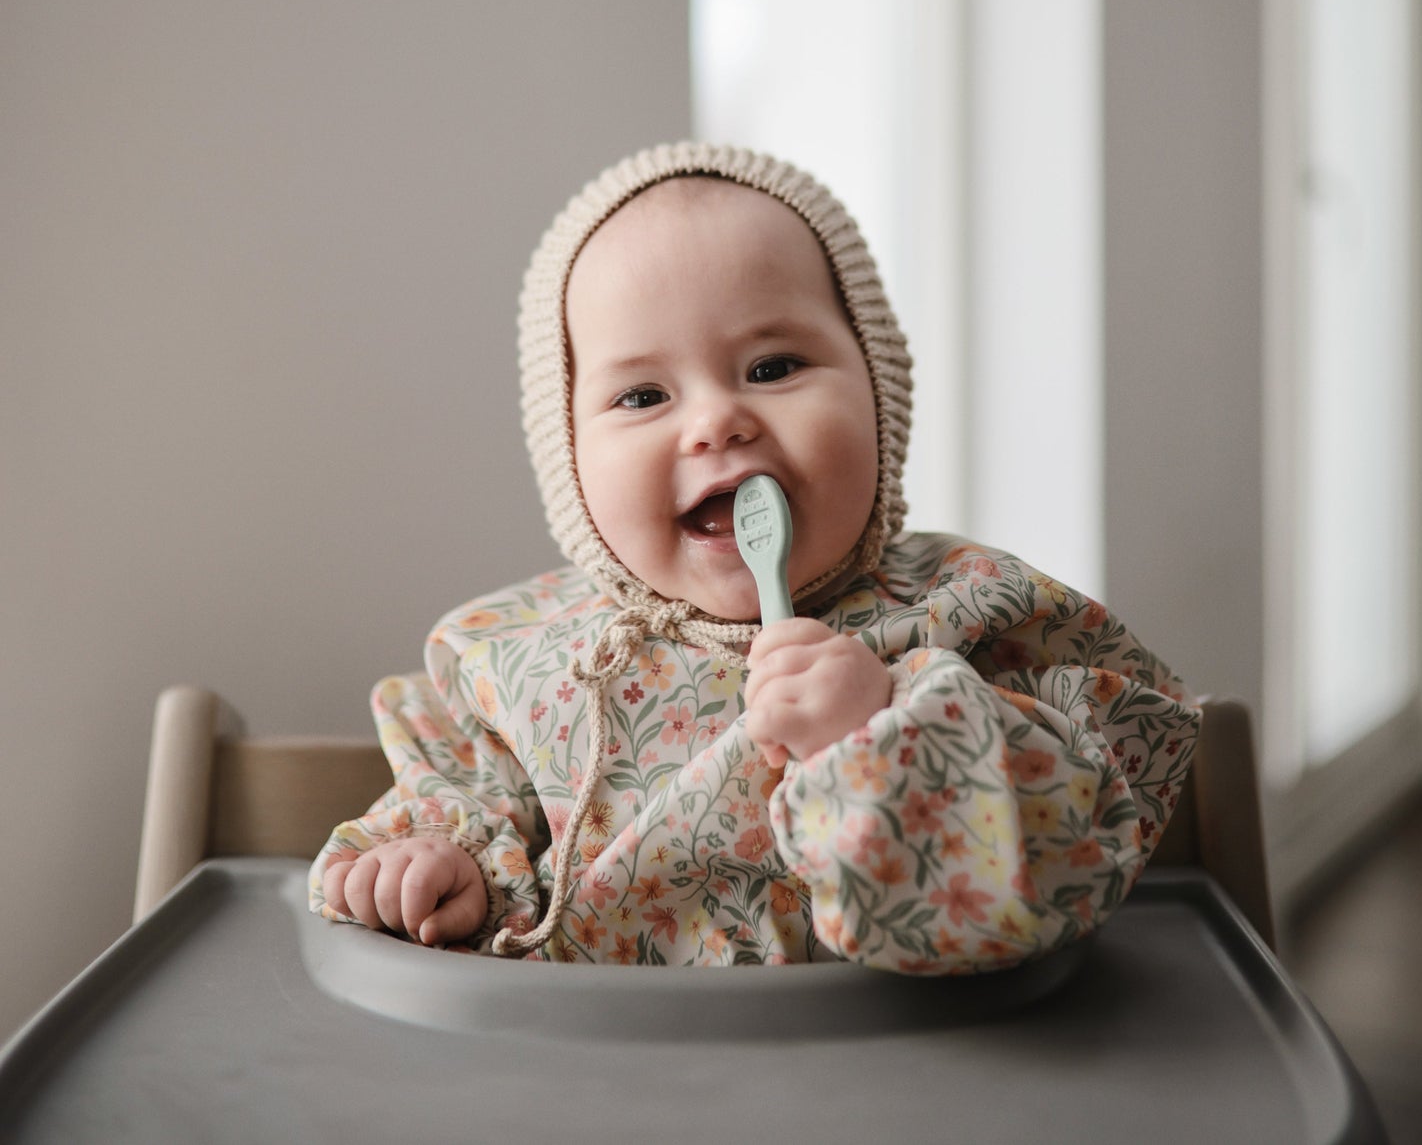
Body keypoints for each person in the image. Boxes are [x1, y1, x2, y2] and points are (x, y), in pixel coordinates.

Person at [310, 142, 1200, 970]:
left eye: (771, 368)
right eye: (644, 394)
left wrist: (885, 731)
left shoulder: (979, 614)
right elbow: (459, 791)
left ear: (879, 390)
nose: (715, 421)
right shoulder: (510, 654)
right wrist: (445, 868)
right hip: (592, 1074)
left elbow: (1053, 873)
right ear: (568, 457)